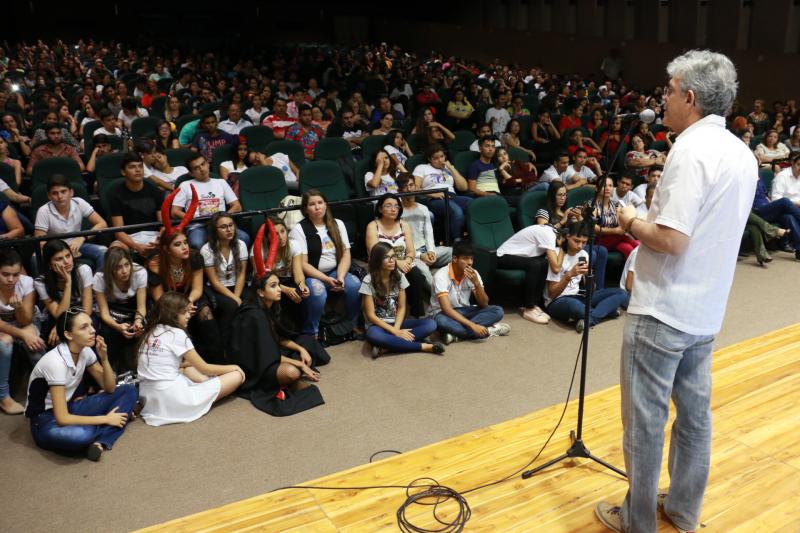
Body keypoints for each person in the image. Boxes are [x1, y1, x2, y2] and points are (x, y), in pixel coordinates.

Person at [596, 51, 757, 533]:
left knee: (644, 424)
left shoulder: (690, 152)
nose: (662, 98)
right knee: (694, 418)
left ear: (689, 98)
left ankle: (637, 521)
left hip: (662, 310)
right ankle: (684, 510)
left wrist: (627, 219)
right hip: (705, 311)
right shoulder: (742, 153)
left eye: (668, 90)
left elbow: (671, 239)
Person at [229, 225, 326, 416]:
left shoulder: (268, 305)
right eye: (273, 286)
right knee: (292, 373)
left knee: (307, 343)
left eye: (278, 285)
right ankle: (287, 382)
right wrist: (299, 364)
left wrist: (300, 350)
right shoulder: (254, 315)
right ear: (260, 292)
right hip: (256, 365)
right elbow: (267, 354)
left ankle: (290, 376)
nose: (280, 289)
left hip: (269, 354)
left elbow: (277, 338)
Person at [25, 308, 138, 461]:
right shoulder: (55, 363)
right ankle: (109, 425)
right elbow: (62, 418)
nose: (92, 331)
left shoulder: (85, 351)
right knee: (82, 435)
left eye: (91, 325)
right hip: (45, 420)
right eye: (84, 327)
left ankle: (100, 442)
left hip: (70, 406)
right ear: (68, 334)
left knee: (129, 390)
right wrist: (105, 419)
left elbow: (110, 388)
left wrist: (104, 359)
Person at [136, 292, 245, 427]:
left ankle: (206, 384)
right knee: (236, 375)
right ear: (172, 313)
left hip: (149, 398)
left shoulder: (151, 331)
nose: (189, 316)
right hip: (173, 398)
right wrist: (234, 367)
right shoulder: (177, 334)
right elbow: (205, 368)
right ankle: (206, 390)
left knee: (186, 368)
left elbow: (179, 364)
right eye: (184, 312)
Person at [289, 190, 361, 338]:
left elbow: (346, 253)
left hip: (336, 271)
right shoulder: (299, 229)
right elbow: (303, 264)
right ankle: (312, 331)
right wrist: (327, 279)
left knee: (354, 284)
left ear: (326, 205)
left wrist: (340, 276)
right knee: (318, 291)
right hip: (312, 275)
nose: (317, 207)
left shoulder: (337, 224)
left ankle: (352, 324)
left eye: (320, 203)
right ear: (305, 209)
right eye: (312, 204)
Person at [361, 242, 443, 358]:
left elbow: (401, 307)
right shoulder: (368, 281)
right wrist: (395, 332)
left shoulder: (399, 276)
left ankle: (385, 347)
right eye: (387, 257)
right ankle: (424, 346)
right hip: (378, 326)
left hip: (397, 323)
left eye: (393, 256)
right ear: (377, 260)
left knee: (431, 324)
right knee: (373, 335)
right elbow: (371, 316)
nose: (392, 260)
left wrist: (396, 329)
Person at [544, 220, 628, 333]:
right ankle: (605, 311)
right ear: (567, 237)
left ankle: (590, 318)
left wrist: (588, 277)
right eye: (576, 241)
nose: (580, 246)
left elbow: (591, 290)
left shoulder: (584, 255)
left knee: (621, 293)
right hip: (558, 301)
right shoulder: (556, 254)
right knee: (576, 307)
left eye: (584, 242)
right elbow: (552, 293)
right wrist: (569, 275)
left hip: (580, 296)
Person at [429, 239, 510, 344]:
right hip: (443, 314)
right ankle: (489, 330)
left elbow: (484, 304)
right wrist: (473, 325)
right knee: (440, 321)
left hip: (465, 311)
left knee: (497, 311)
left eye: (471, 258)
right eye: (465, 258)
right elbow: (447, 309)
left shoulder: (473, 274)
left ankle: (455, 334)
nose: (470, 263)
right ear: (454, 259)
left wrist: (476, 283)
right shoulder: (441, 276)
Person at [365, 194, 429, 318]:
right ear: (380, 209)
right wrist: (398, 263)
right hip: (382, 265)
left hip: (405, 263)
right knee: (396, 277)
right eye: (388, 206)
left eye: (396, 206)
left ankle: (417, 316)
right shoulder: (373, 226)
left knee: (417, 276)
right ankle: (390, 317)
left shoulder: (403, 225)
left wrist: (408, 261)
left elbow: (411, 251)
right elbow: (376, 252)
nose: (393, 209)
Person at [0, 249, 46, 415]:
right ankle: (3, 396)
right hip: (4, 326)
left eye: (15, 274)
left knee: (34, 345)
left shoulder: (26, 282)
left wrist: (18, 308)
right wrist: (22, 334)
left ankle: (49, 391)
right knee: (4, 343)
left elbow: (26, 320)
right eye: (5, 274)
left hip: (26, 320)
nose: (11, 279)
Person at [172, 152, 248, 249]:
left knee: (244, 238)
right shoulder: (185, 185)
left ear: (208, 164)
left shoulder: (221, 182)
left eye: (203, 164)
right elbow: (174, 212)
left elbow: (237, 207)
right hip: (198, 226)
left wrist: (221, 220)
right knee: (197, 243)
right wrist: (193, 218)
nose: (202, 169)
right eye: (196, 168)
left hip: (222, 225)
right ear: (191, 173)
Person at [93, 247, 147, 372]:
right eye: (118, 267)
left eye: (127, 265)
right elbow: (104, 313)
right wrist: (118, 327)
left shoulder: (140, 272)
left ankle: (137, 370)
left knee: (140, 329)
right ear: (110, 268)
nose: (124, 271)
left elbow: (141, 307)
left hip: (133, 307)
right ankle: (111, 371)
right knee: (108, 331)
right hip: (113, 308)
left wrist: (138, 322)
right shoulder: (100, 277)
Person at [396, 173, 453, 287]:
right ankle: (439, 300)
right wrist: (419, 255)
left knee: (455, 253)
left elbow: (429, 233)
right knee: (427, 276)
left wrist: (431, 251)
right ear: (399, 190)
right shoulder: (397, 211)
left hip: (426, 250)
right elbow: (399, 242)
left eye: (411, 185)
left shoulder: (423, 208)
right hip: (411, 256)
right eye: (405, 186)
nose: (409, 189)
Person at [35, 240, 94, 348]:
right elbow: (58, 314)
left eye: (68, 255)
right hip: (57, 318)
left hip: (83, 314)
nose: (66, 261)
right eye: (59, 259)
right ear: (49, 264)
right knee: (57, 339)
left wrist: (60, 326)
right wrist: (68, 283)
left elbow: (88, 310)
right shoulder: (41, 282)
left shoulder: (83, 270)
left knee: (84, 334)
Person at [200, 212, 247, 345]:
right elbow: (214, 282)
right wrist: (235, 299)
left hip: (237, 286)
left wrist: (237, 296)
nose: (229, 229)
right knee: (231, 305)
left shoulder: (241, 244)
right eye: (224, 227)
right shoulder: (207, 249)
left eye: (231, 225)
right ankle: (226, 344)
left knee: (253, 303)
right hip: (217, 289)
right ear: (215, 231)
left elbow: (241, 274)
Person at [496, 224, 559, 324]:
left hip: (520, 257)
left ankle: (534, 304)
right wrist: (563, 250)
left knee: (543, 263)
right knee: (535, 265)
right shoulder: (549, 235)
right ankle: (528, 308)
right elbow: (556, 268)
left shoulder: (550, 232)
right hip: (503, 256)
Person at [108, 153, 165, 257]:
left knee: (177, 239)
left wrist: (160, 239)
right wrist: (136, 246)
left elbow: (163, 224)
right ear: (123, 172)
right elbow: (118, 231)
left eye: (140, 166)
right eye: (132, 167)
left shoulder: (155, 190)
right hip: (129, 238)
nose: (138, 170)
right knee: (114, 249)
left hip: (154, 236)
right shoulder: (115, 194)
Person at [412, 143, 472, 240]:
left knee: (473, 204)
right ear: (429, 159)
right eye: (435, 158)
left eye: (442, 156)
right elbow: (415, 188)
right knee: (456, 211)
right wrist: (433, 194)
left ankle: (473, 237)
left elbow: (464, 187)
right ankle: (457, 242)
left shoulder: (448, 168)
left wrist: (451, 168)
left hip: (452, 196)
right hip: (434, 199)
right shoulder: (422, 168)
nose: (440, 160)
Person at [591, 175, 639, 260]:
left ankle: (632, 272)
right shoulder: (591, 205)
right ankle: (638, 244)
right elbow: (594, 228)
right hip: (598, 241)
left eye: (610, 185)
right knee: (634, 243)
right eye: (604, 185)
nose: (607, 188)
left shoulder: (616, 205)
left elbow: (621, 226)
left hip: (615, 240)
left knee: (629, 249)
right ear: (596, 188)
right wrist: (615, 231)